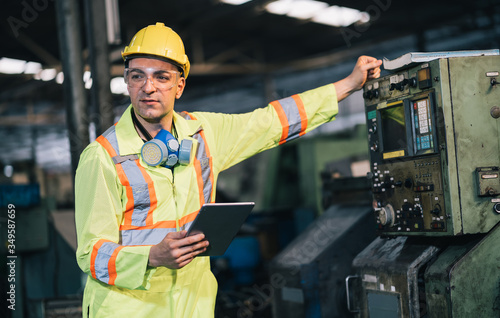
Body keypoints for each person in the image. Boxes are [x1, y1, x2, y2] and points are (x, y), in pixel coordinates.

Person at [75, 22, 382, 317]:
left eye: (162, 77)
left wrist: (348, 85)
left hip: (192, 307)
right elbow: (91, 254)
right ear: (127, 82)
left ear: (179, 85)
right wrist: (152, 256)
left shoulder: (205, 135)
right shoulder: (103, 157)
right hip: (129, 311)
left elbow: (271, 121)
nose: (148, 88)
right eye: (137, 76)